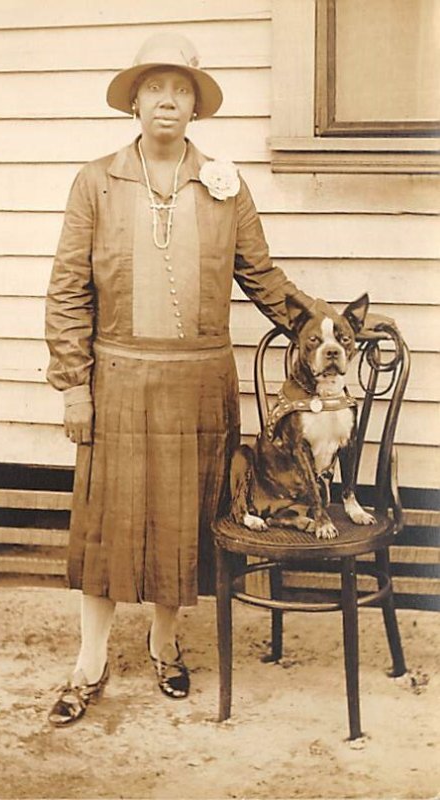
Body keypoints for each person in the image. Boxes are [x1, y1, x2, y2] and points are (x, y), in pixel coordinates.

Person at [44, 32, 382, 727]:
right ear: (135, 102)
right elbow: (68, 290)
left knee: (181, 520)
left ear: (196, 106)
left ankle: (165, 645)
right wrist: (74, 384)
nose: (167, 100)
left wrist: (332, 328)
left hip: (198, 384)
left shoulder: (224, 185)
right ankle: (89, 661)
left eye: (182, 90)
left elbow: (265, 280)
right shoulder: (95, 182)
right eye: (154, 88)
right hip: (117, 380)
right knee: (107, 520)